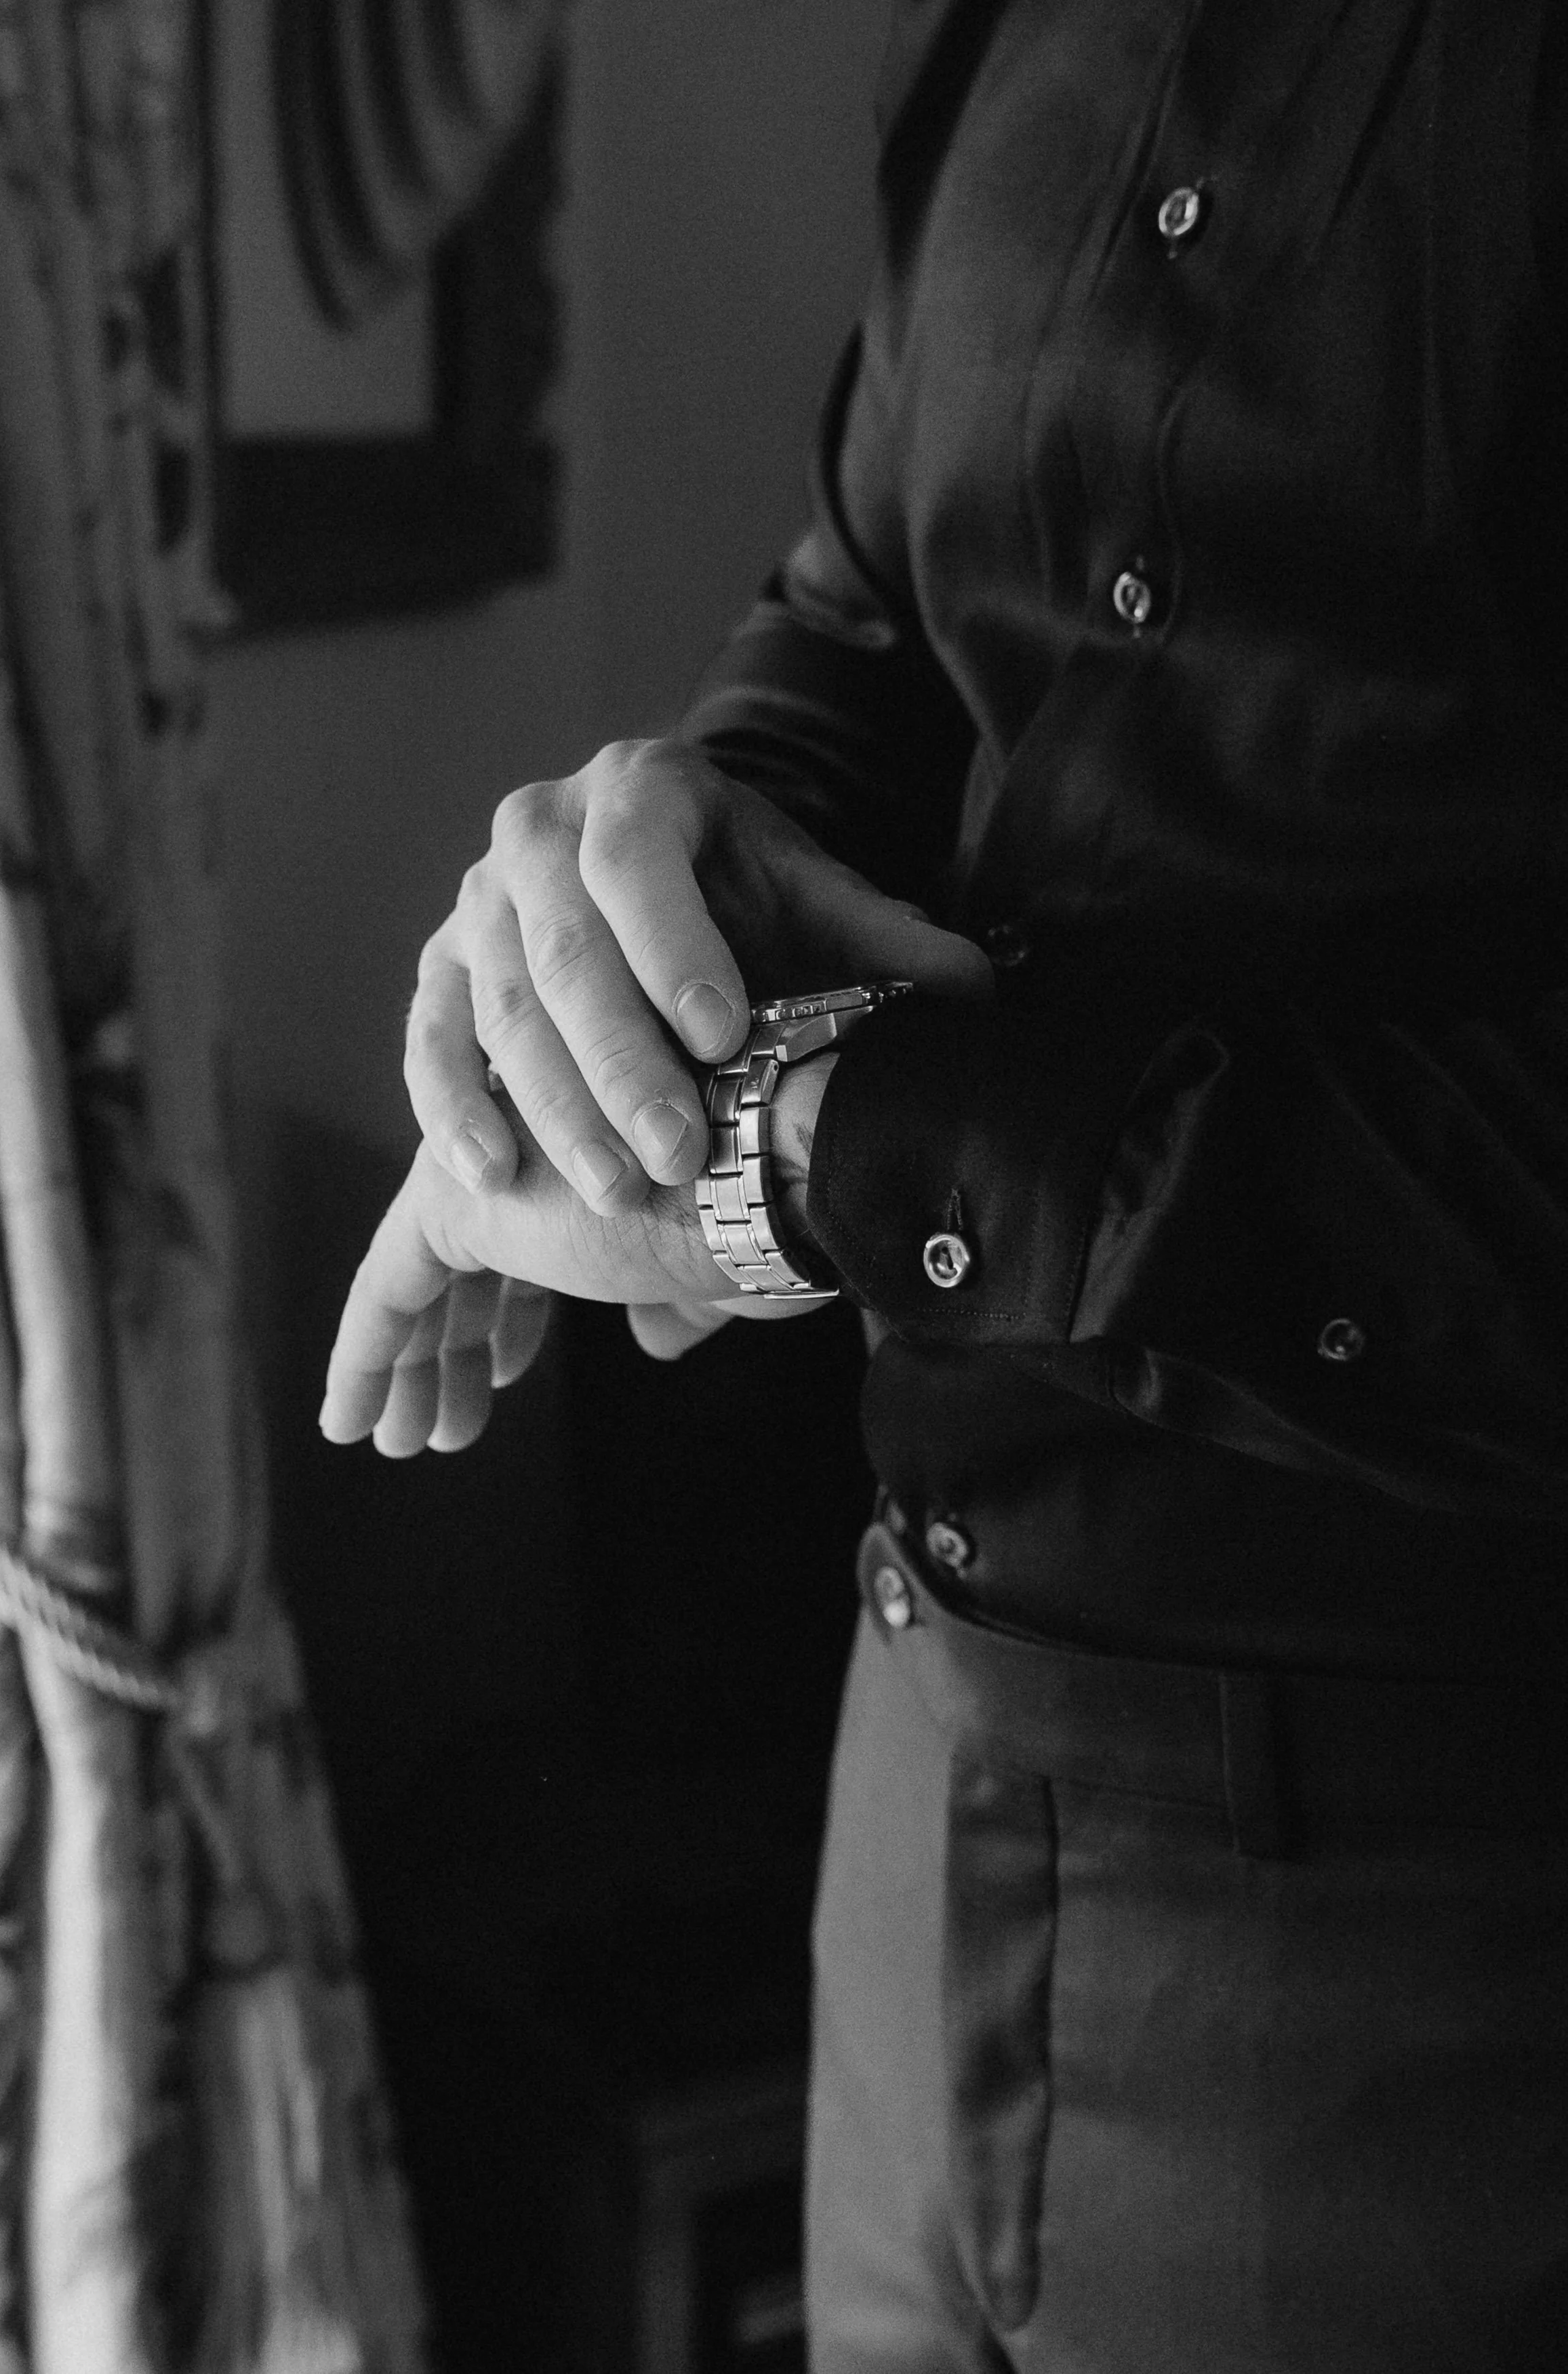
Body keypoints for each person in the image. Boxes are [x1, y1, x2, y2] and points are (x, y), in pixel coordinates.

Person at [319, 3, 1568, 2365]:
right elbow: (881, 616)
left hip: (1457, 1927)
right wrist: (650, 911)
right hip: (911, 1775)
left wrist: (826, 1147)